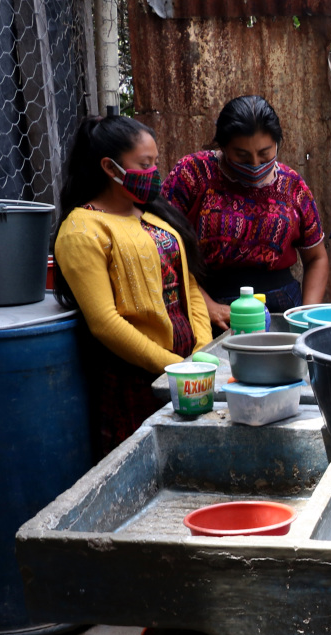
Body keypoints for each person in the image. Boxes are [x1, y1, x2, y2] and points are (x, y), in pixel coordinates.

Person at [53, 113, 211, 458]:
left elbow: (190, 286)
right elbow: (104, 322)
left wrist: (203, 350)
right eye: (145, 164)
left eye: (155, 162)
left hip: (188, 371)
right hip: (135, 381)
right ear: (110, 167)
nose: (154, 173)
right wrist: (172, 366)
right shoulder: (81, 230)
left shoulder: (152, 214)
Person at [162, 95, 328, 327]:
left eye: (264, 154)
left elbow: (317, 257)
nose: (254, 164)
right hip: (206, 306)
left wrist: (305, 317)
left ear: (277, 144)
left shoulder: (292, 186)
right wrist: (206, 305)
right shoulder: (192, 174)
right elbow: (162, 248)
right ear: (223, 146)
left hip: (281, 307)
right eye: (241, 155)